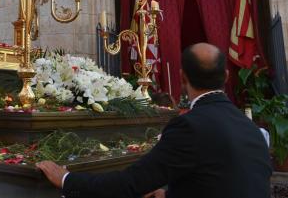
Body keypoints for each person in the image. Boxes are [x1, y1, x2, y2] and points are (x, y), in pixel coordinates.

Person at [37, 43, 272, 198]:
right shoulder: (251, 128)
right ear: (226, 76)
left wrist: (67, 179)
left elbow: (130, 184)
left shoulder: (190, 126)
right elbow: (224, 183)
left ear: (181, 77)